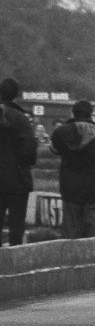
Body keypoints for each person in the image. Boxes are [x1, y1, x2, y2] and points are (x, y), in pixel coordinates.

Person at [50, 99, 95, 239]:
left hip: (70, 190)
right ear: (90, 114)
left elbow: (54, 149)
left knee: (70, 237)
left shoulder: (60, 132)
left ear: (73, 113)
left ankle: (72, 261)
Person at [0, 77, 38, 246]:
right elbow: (29, 151)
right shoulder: (22, 119)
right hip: (17, 178)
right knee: (17, 225)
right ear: (17, 94)